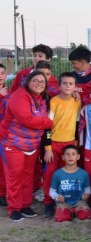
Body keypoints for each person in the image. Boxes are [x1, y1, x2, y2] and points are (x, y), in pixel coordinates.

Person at [0, 70, 53, 221]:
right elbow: (27, 119)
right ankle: (14, 208)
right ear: (28, 81)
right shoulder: (19, 96)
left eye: (42, 82)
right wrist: (48, 123)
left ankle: (24, 205)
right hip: (13, 142)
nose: (39, 84)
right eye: (35, 80)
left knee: (27, 176)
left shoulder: (42, 98)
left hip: (32, 144)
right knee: (15, 176)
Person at [42, 72, 81, 218]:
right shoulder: (53, 102)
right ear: (59, 85)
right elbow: (47, 127)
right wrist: (48, 148)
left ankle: (68, 201)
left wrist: (75, 145)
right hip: (54, 144)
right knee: (50, 173)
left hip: (70, 143)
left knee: (68, 174)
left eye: (71, 84)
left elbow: (77, 125)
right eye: (64, 83)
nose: (67, 86)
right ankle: (48, 203)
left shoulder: (77, 102)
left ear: (75, 87)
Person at [49, 145, 91, 222]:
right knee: (61, 217)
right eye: (67, 154)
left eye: (73, 154)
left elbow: (87, 189)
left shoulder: (84, 173)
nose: (70, 156)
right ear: (63, 157)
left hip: (79, 202)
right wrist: (57, 197)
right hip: (63, 203)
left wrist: (86, 194)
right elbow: (51, 191)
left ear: (78, 157)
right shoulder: (57, 173)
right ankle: (68, 212)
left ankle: (76, 211)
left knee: (85, 215)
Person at [0, 64, 9, 207]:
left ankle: (2, 194)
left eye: (2, 72)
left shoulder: (10, 91)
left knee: (4, 166)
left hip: (5, 134)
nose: (0, 75)